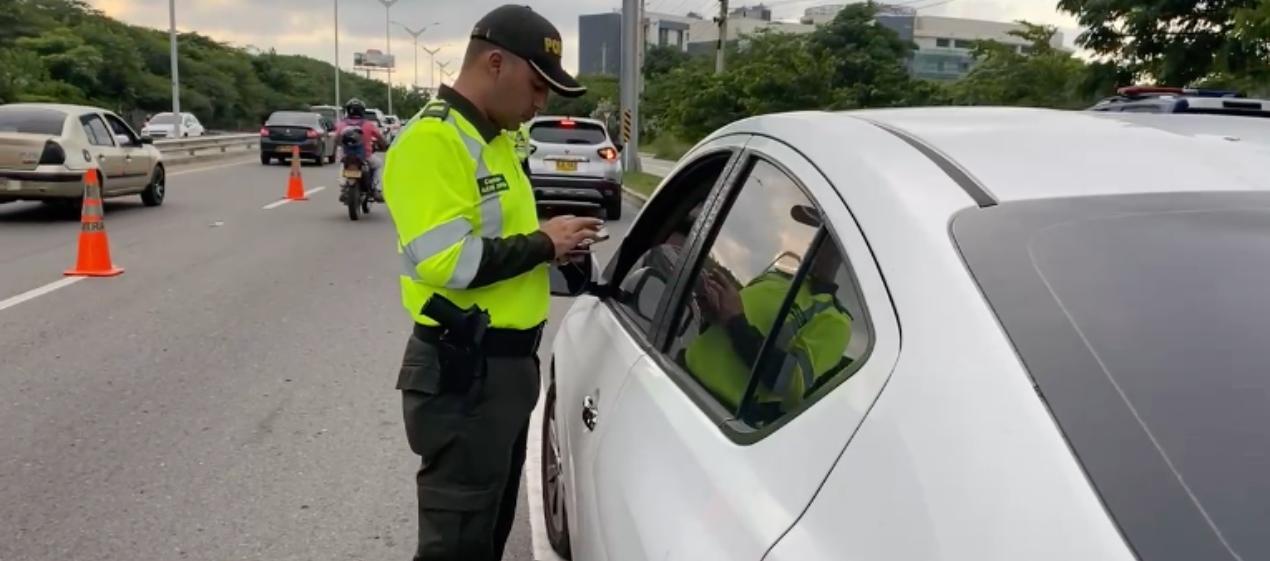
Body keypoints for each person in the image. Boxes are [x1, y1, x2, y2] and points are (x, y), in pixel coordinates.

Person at [381, 5, 600, 560]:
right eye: (536, 86)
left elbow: (508, 243)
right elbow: (448, 261)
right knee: (456, 545)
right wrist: (544, 243)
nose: (540, 103)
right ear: (495, 64)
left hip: (503, 372)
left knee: (487, 533)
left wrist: (561, 250)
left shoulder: (499, 140)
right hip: (464, 374)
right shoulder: (434, 141)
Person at [683, 235, 854, 424]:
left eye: (828, 242)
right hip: (681, 373)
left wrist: (735, 322)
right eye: (817, 239)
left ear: (845, 258)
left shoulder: (836, 321)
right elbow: (727, 330)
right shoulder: (776, 278)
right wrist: (713, 314)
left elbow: (789, 383)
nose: (814, 243)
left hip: (718, 416)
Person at [335, 97, 387, 201]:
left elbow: (337, 140)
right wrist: (385, 146)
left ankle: (344, 188)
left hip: (346, 156)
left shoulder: (342, 124)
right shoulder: (368, 124)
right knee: (378, 164)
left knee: (342, 164)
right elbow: (381, 138)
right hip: (365, 156)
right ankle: (376, 189)